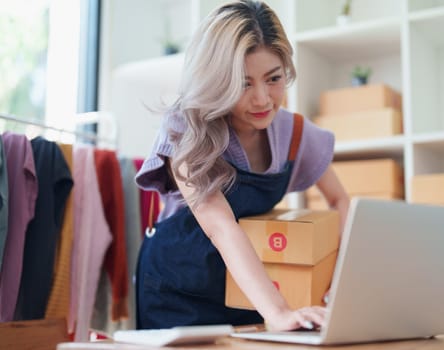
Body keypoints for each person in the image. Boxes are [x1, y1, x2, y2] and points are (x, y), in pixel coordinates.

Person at [135, 0, 349, 331]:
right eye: (243, 83)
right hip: (174, 291)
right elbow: (221, 226)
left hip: (248, 289)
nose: (263, 99)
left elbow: (340, 200)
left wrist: (339, 277)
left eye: (273, 78)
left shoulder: (294, 134)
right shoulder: (185, 130)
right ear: (215, 81)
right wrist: (277, 312)